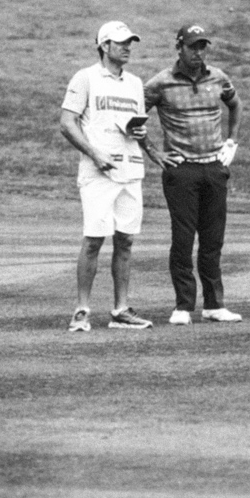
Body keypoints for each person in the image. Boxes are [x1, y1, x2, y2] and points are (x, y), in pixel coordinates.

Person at [58, 21, 157, 332]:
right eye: (120, 42)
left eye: (130, 42)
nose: (127, 47)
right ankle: (82, 310)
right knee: (94, 240)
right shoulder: (85, 78)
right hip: (98, 172)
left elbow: (134, 127)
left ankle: (121, 309)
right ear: (104, 45)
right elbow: (67, 123)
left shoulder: (134, 84)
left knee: (125, 241)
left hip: (130, 170)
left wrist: (141, 134)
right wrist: (94, 154)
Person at [144, 23, 242, 324]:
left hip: (214, 166)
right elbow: (134, 119)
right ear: (179, 48)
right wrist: (155, 153)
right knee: (184, 238)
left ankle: (214, 304)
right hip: (181, 169)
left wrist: (232, 140)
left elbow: (235, 105)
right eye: (192, 47)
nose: (198, 52)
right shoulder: (161, 83)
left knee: (213, 239)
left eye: (202, 46)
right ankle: (183, 306)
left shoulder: (218, 77)